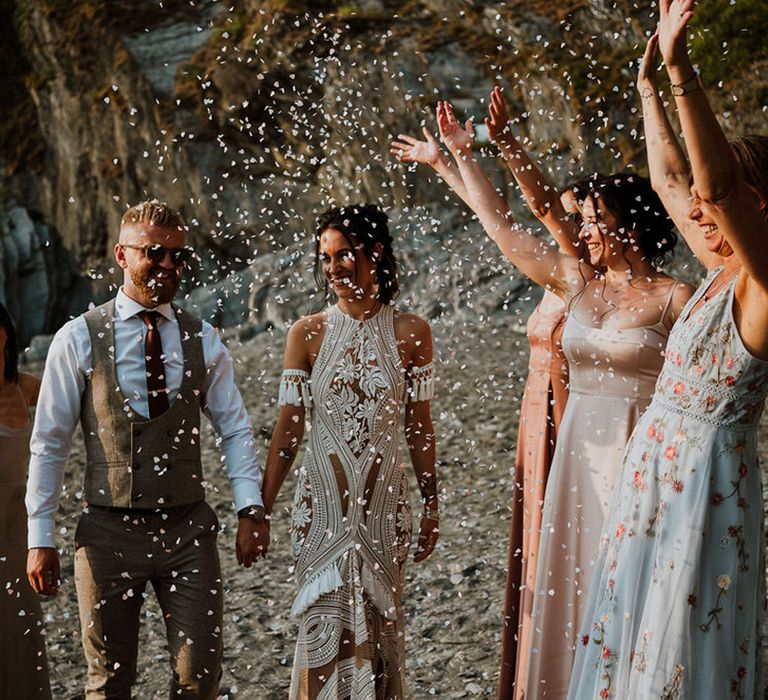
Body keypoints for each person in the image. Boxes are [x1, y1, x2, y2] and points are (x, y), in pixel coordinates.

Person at [407, 95, 693, 696]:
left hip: (643, 456)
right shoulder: (577, 282)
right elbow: (505, 227)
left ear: (630, 225)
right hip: (577, 460)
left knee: (637, 586)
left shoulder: (676, 298)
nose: (582, 228)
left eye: (594, 218)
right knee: (578, 581)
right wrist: (464, 156)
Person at [568, 3, 768, 696]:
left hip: (705, 487)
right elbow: (671, 184)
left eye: (720, 209)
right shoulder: (720, 274)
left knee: (682, 647)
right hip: (658, 470)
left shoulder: (764, 287)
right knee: (634, 632)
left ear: (756, 206)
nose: (700, 215)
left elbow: (710, 185)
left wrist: (683, 71)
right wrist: (650, 89)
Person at [392, 95, 598, 700]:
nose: (563, 223)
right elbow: (500, 217)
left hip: (569, 412)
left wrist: (474, 153)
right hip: (539, 415)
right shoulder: (565, 266)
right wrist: (447, 164)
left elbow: (508, 217)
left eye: (576, 217)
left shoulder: (577, 278)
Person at [25, 200, 269, 699]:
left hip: (189, 532)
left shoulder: (204, 338)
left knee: (198, 679)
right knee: (109, 683)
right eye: (153, 253)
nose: (168, 266)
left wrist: (250, 508)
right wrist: (39, 535)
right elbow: (49, 442)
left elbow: (236, 430)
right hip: (105, 534)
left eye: (179, 257)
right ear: (121, 254)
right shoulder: (78, 338)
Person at [260, 204, 438, 699]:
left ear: (374, 252)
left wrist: (432, 504)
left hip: (385, 512)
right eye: (325, 258)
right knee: (322, 626)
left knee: (381, 633)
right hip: (320, 513)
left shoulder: (411, 333)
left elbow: (419, 428)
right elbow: (287, 433)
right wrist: (260, 510)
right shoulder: (307, 333)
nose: (333, 267)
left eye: (344, 255)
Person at [0, 303, 52, 698]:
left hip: (20, 532)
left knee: (21, 632)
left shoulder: (24, 386)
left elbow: (81, 398)